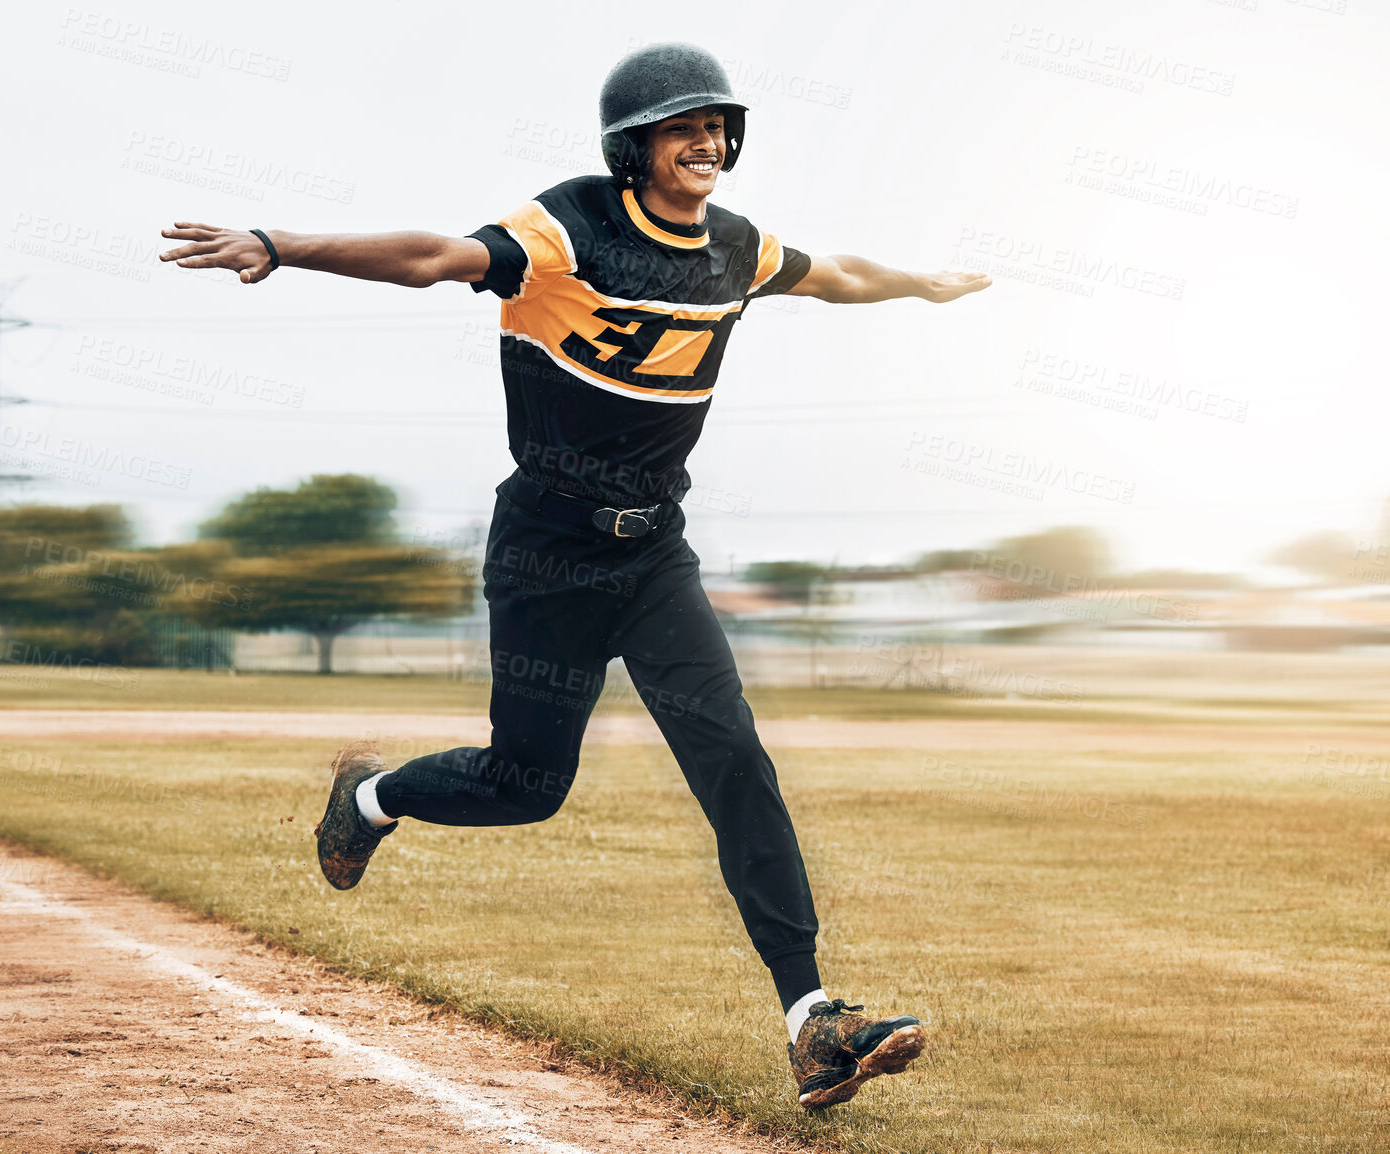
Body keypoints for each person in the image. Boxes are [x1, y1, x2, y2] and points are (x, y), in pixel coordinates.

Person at [160, 41, 990, 1110]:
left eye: (718, 126)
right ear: (632, 144)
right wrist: (285, 243)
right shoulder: (570, 229)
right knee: (527, 785)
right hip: (548, 553)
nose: (708, 142)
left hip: (652, 556)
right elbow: (433, 255)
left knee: (733, 753)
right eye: (684, 126)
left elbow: (836, 277)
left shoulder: (736, 248)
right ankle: (368, 797)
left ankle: (812, 1020)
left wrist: (923, 284)